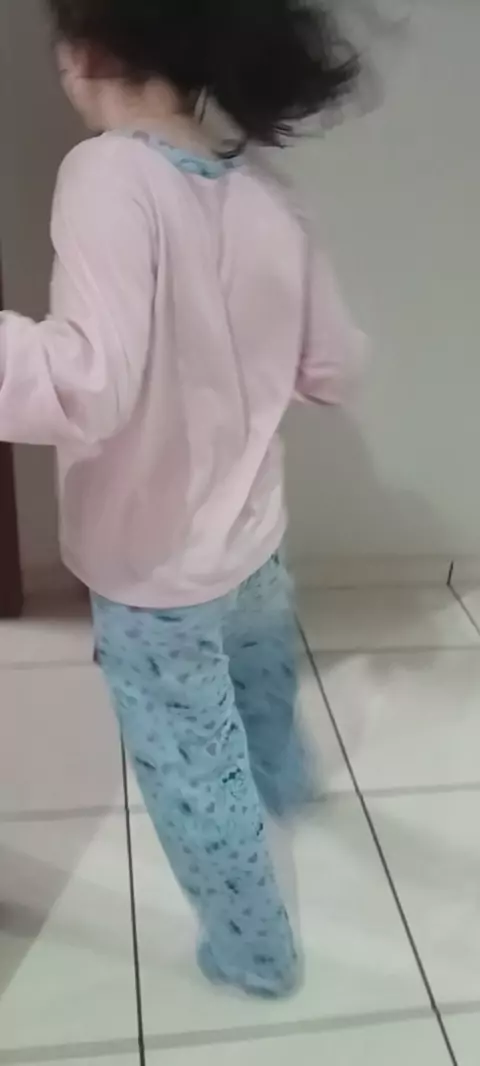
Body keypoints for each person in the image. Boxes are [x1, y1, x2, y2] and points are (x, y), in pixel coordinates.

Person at [0, 0, 365, 997]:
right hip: (254, 538)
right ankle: (287, 787)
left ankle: (253, 953)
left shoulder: (108, 175)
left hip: (155, 572)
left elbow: (86, 385)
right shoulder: (266, 190)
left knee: (193, 767)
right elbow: (333, 366)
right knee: (260, 684)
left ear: (86, 52)